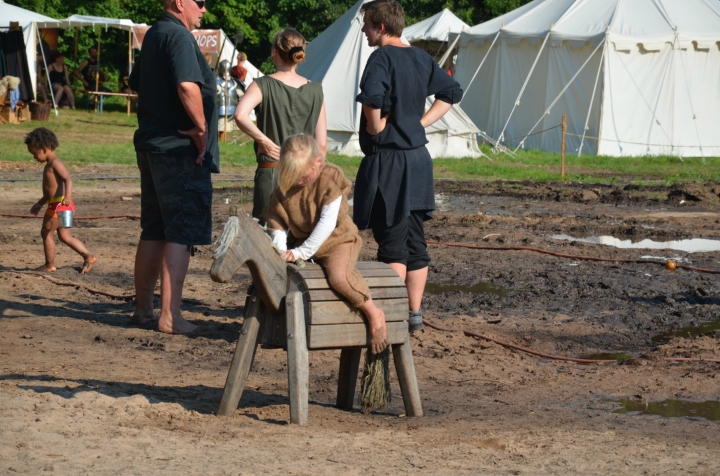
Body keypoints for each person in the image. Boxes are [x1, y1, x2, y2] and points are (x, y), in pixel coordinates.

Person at [354, 0, 463, 333]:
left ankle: (390, 316)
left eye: (367, 24)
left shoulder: (381, 57)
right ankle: (413, 314)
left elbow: (372, 97)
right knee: (415, 242)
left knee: (394, 244)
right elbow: (451, 91)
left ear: (381, 27)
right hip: (418, 160)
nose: (364, 30)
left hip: (391, 162)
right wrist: (420, 123)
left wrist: (376, 128)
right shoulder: (419, 57)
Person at [128, 0, 219, 335]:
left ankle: (143, 310)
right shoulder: (179, 37)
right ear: (180, 2)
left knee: (153, 228)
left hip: (152, 144)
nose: (204, 10)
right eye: (201, 2)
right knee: (179, 231)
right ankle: (170, 316)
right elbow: (186, 85)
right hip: (180, 151)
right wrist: (201, 129)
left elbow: (136, 82)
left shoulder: (153, 35)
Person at [264, 134, 387, 354]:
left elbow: (326, 224)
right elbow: (277, 221)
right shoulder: (285, 187)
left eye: (302, 176)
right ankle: (281, 325)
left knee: (339, 278)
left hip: (337, 241)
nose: (297, 181)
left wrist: (302, 252)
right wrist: (281, 250)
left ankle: (373, 312)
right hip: (302, 241)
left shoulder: (330, 178)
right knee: (278, 275)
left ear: (318, 163)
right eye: (291, 176)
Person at [233, 28, 327, 225]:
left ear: (273, 51)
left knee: (266, 241)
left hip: (272, 172)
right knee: (299, 239)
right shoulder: (316, 91)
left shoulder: (262, 85)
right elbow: (322, 146)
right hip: (305, 173)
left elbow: (240, 115)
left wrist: (264, 141)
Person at [25, 127, 96, 274]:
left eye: (35, 153)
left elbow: (67, 179)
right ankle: (88, 256)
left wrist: (68, 197)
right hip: (63, 205)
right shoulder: (50, 165)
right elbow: (49, 192)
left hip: (59, 205)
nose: (34, 157)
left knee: (46, 232)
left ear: (45, 148)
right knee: (65, 236)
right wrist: (40, 203)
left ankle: (49, 265)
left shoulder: (55, 163)